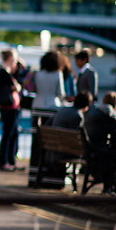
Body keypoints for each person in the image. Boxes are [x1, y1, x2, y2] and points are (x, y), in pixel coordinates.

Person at [27, 50, 66, 189]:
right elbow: (60, 94)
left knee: (36, 144)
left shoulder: (37, 74)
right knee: (51, 145)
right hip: (51, 110)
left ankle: (34, 177)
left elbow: (32, 90)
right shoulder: (58, 74)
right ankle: (50, 178)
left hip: (37, 109)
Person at [0, 49, 23, 171]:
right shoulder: (3, 72)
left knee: (14, 134)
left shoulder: (9, 72)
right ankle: (4, 161)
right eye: (14, 59)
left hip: (13, 107)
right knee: (8, 134)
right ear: (10, 59)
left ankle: (11, 160)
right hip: (8, 108)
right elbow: (16, 86)